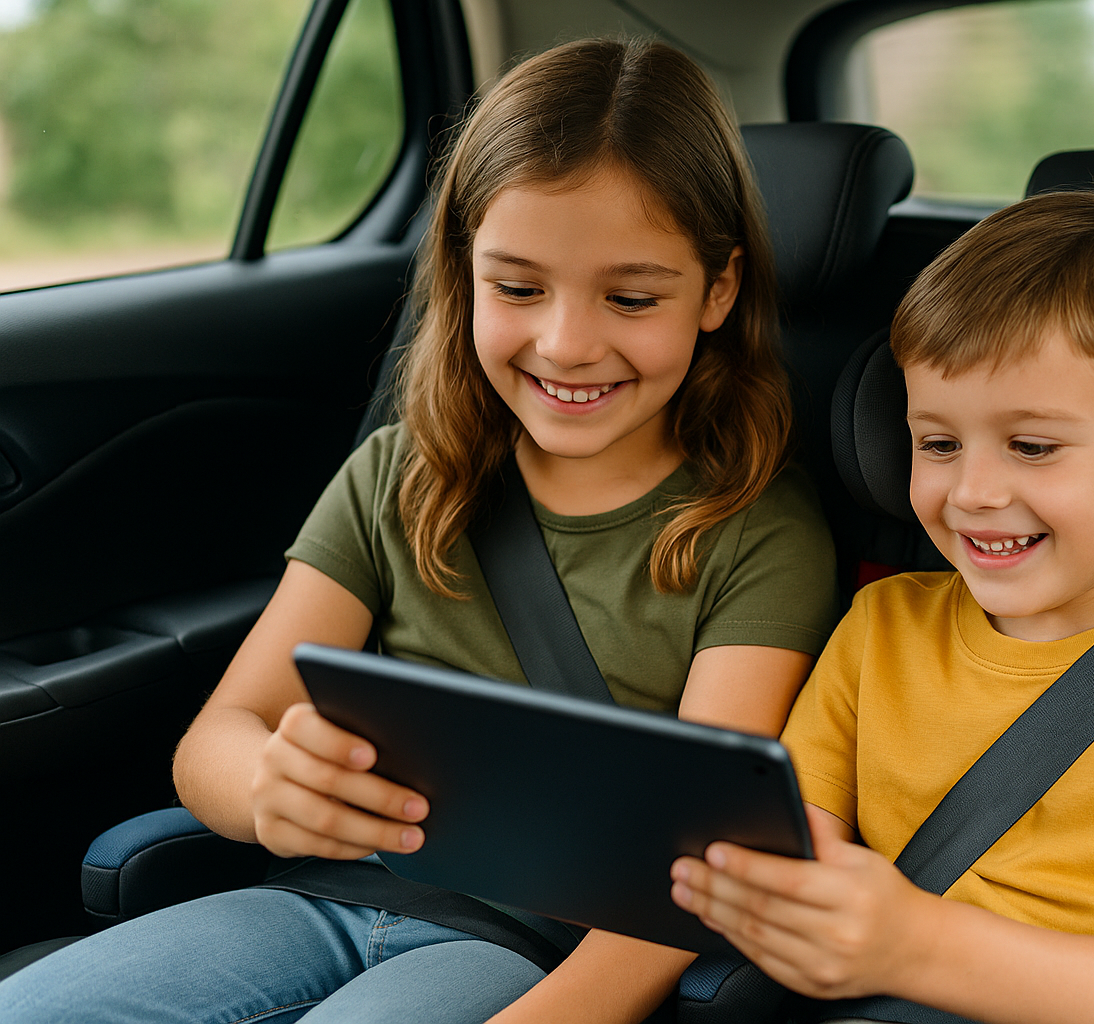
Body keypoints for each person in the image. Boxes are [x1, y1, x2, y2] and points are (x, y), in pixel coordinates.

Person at [1, 37, 837, 1024]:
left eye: (631, 296)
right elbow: (219, 735)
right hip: (322, 891)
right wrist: (268, 787)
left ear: (719, 290)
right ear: (463, 271)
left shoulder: (759, 534)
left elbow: (696, 861)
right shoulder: (401, 473)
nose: (567, 341)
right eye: (518, 287)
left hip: (537, 946)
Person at [670, 190, 1094, 1024]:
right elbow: (793, 860)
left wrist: (917, 946)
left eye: (1032, 446)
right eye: (938, 443)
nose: (972, 492)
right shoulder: (881, 627)